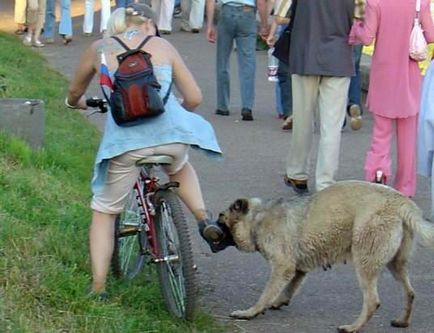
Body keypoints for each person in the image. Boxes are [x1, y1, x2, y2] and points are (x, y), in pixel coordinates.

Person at [65, 3, 232, 297]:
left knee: (104, 211)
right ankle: (204, 219)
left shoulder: (100, 49)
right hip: (172, 137)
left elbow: (75, 93)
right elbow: (194, 96)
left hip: (126, 145)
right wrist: (173, 114)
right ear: (147, 25)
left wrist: (75, 104)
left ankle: (99, 286)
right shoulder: (162, 45)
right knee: (179, 165)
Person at [350, 0, 434, 196]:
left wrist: (356, 28)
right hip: (409, 76)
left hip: (383, 76)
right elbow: (431, 36)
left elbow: (368, 38)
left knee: (381, 133)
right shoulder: (419, 3)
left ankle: (378, 174)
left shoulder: (375, 3)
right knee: (408, 137)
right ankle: (405, 186)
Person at [283, 0, 354, 194]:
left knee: (303, 120)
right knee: (331, 127)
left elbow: (284, 14)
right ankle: (325, 182)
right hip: (339, 57)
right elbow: (361, 19)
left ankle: (297, 173)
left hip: (305, 53)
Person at [206, 0, 269, 121]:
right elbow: (261, 2)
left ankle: (222, 106)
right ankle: (247, 106)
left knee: (222, 61)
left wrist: (210, 25)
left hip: (226, 12)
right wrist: (264, 25)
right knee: (248, 63)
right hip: (247, 13)